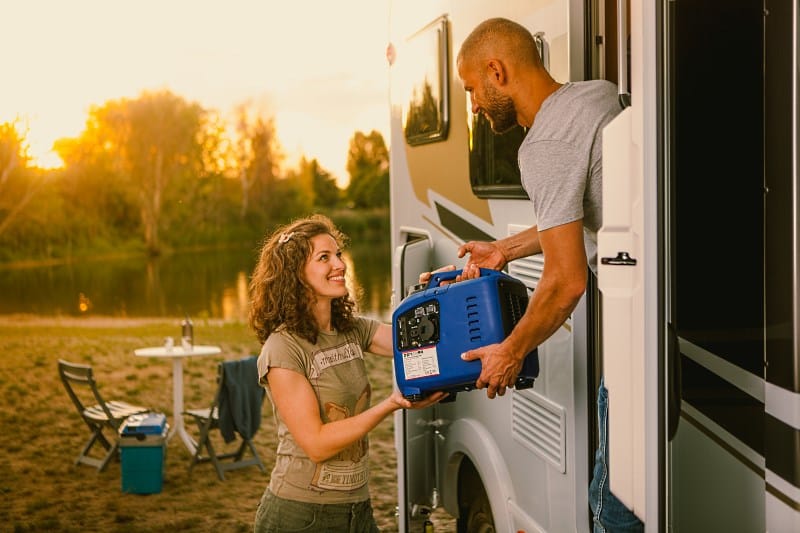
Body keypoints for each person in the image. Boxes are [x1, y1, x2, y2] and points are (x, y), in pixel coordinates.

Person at [451, 17, 643, 533]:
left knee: (612, 507)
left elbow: (566, 280)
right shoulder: (595, 95)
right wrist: (506, 249)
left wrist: (510, 351)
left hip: (638, 338)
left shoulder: (542, 147)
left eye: (471, 89)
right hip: (668, 310)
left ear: (497, 71)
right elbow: (580, 208)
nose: (472, 105)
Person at [248, 214, 446, 533]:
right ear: (294, 273)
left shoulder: (351, 330)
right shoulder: (282, 349)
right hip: (300, 515)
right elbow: (316, 443)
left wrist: (439, 294)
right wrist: (391, 404)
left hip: (357, 509)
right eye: (323, 257)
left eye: (338, 254)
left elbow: (422, 337)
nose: (339, 265)